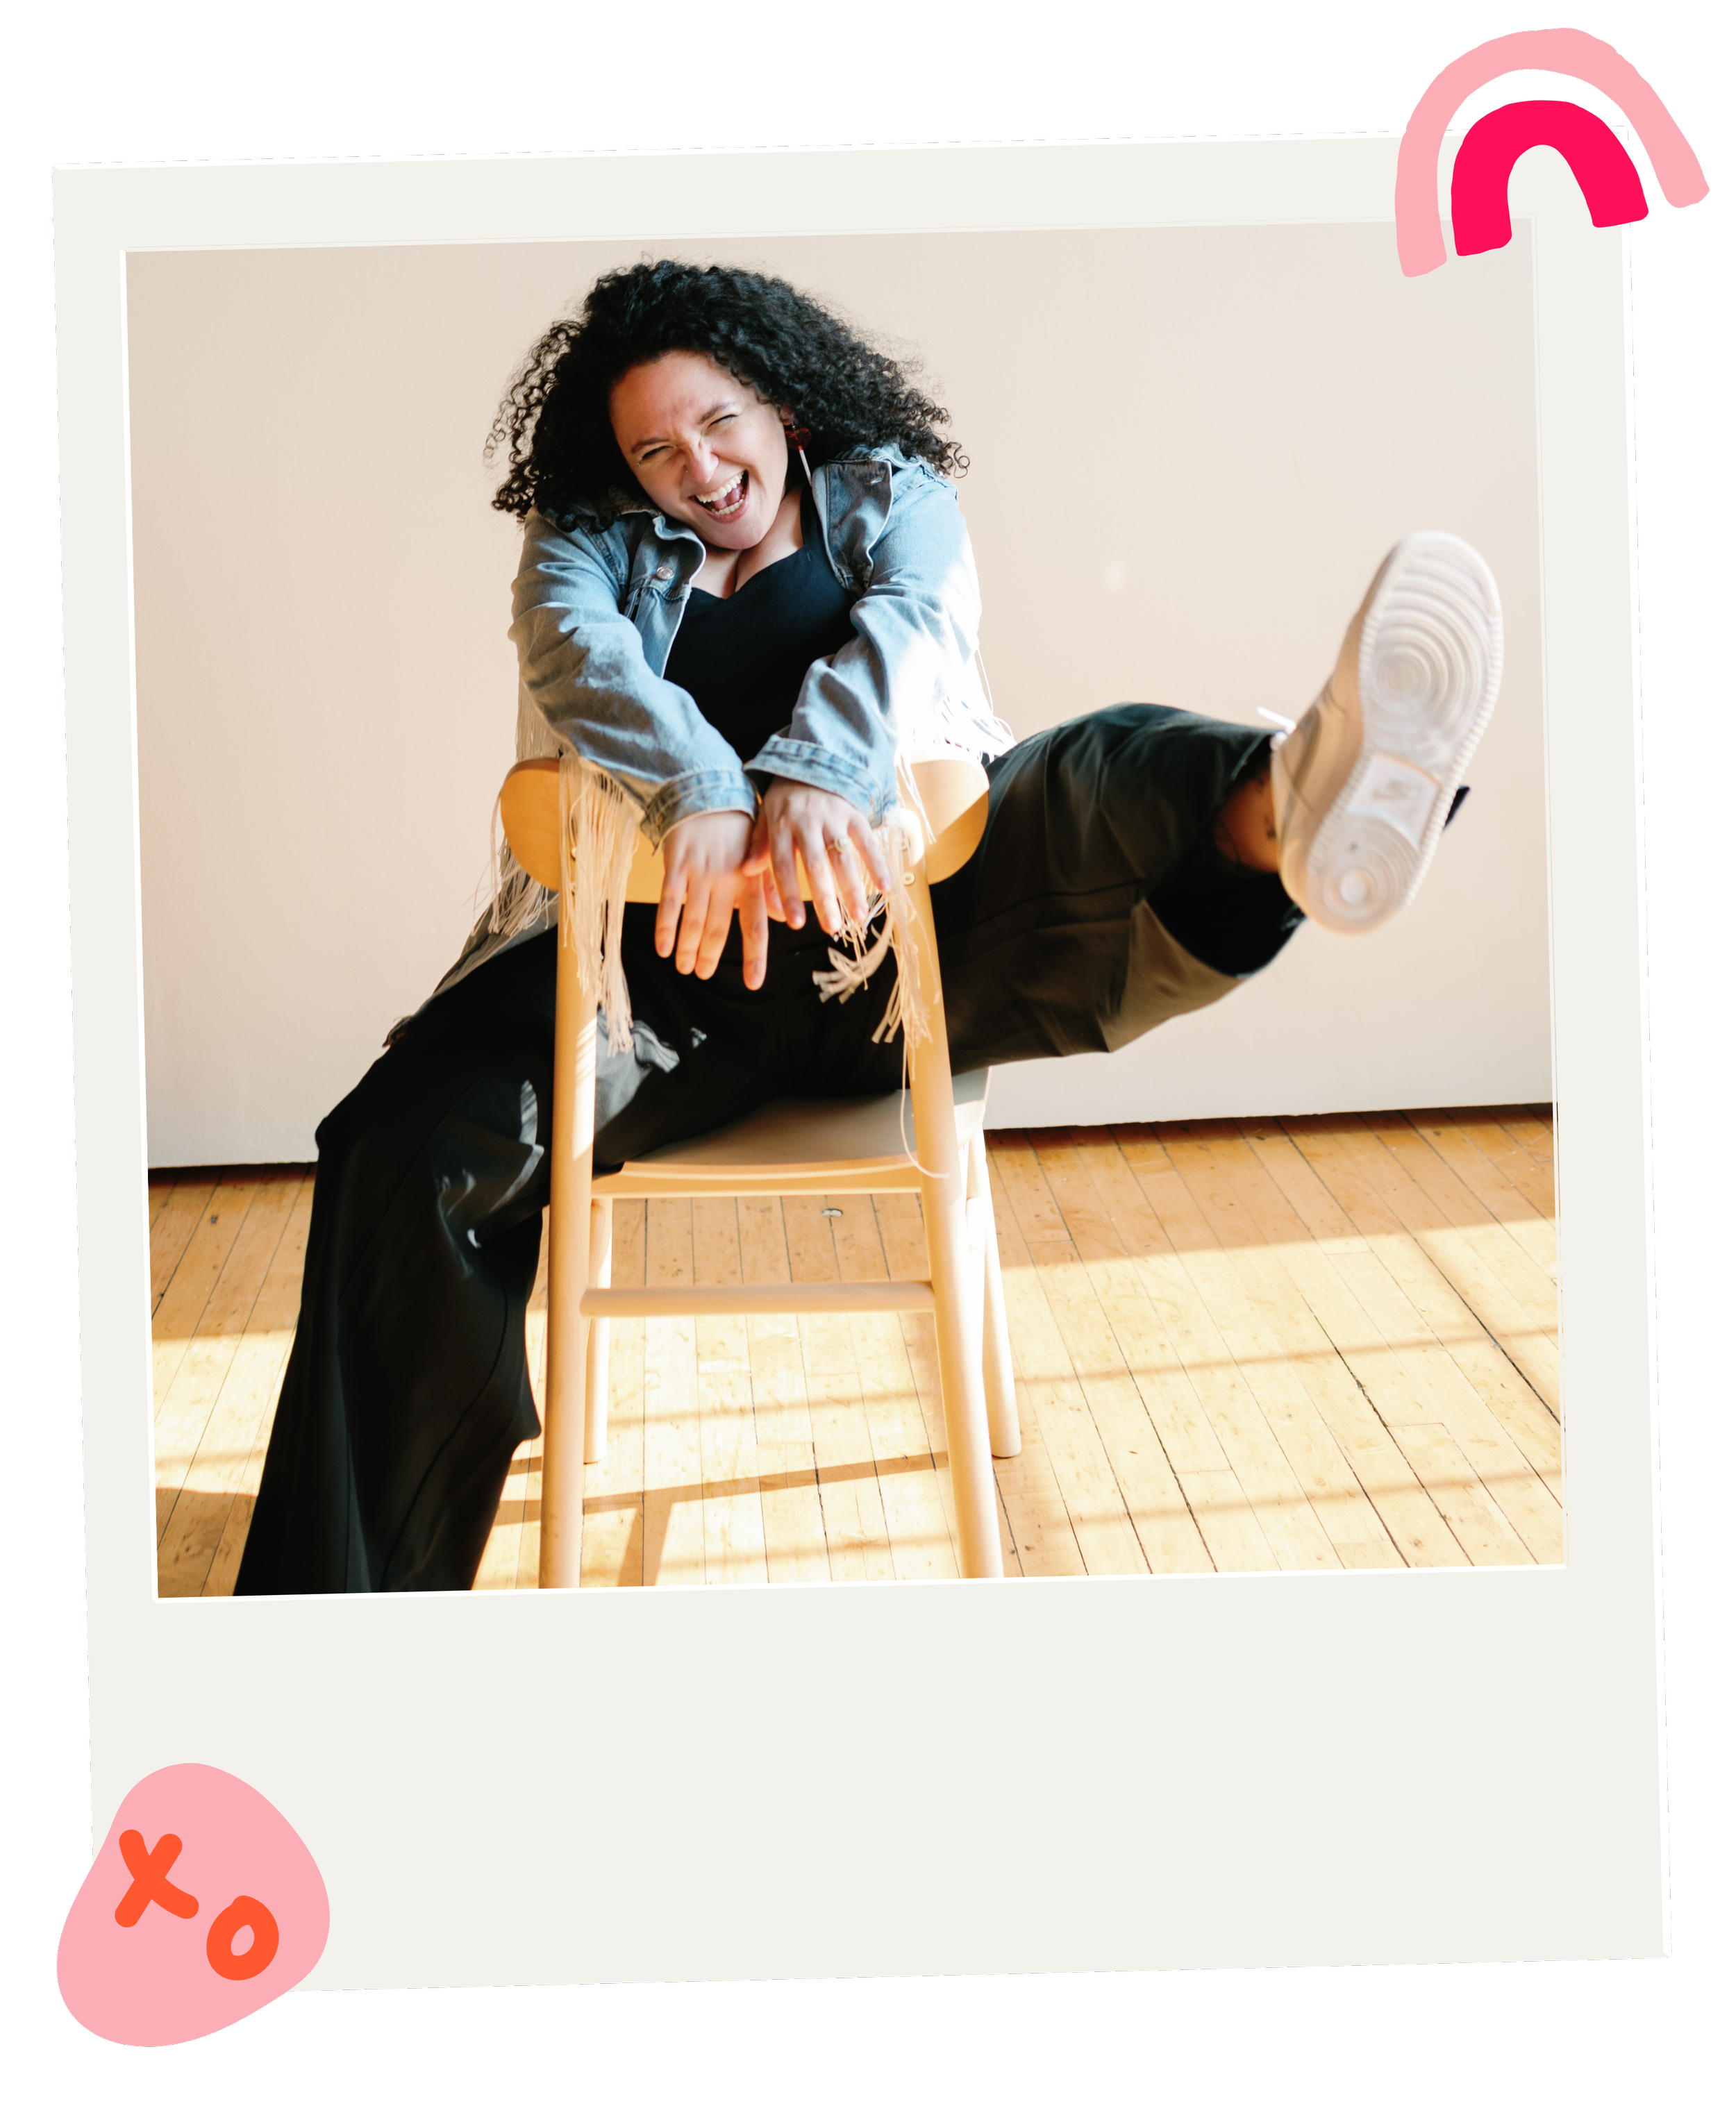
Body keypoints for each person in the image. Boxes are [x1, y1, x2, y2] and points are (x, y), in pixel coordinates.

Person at [235, 260, 1502, 1597]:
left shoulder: (893, 493)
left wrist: (815, 774)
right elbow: (575, 655)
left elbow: (918, 624)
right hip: (660, 986)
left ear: (781, 398)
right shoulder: (581, 542)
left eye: (719, 422)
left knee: (1095, 770)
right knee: (396, 1148)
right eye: (654, 448)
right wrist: (702, 796)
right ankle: (342, 1612)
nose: (699, 469)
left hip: (900, 957)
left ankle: (1294, 805)